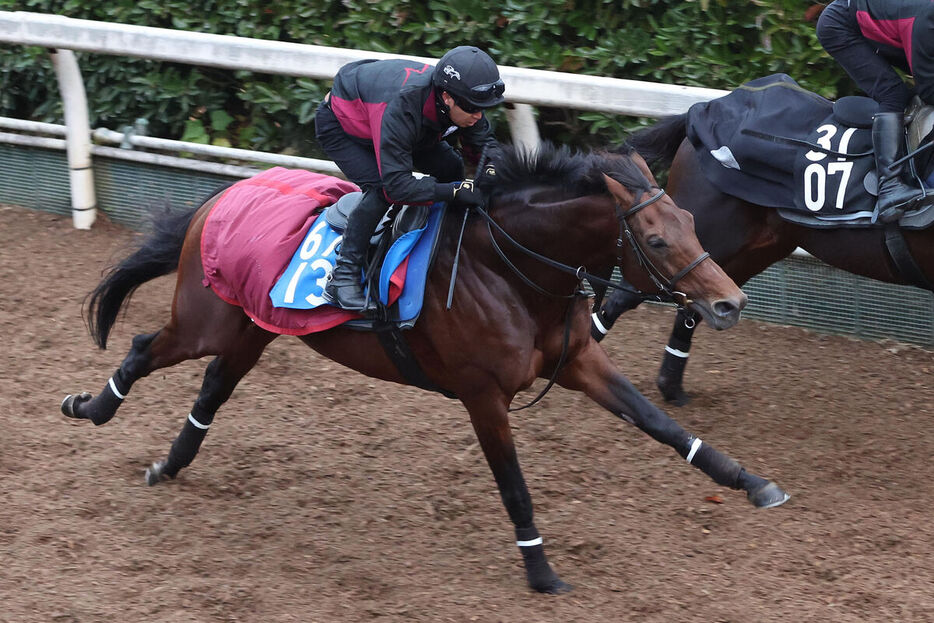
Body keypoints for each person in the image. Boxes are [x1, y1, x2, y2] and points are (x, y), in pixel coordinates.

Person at [314, 46, 505, 311]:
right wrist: (452, 191)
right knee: (381, 190)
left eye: (484, 108)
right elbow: (397, 186)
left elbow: (485, 145)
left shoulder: (459, 101)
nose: (479, 115)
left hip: (402, 128)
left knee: (451, 166)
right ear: (447, 97)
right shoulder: (404, 105)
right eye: (473, 108)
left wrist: (493, 169)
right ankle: (343, 277)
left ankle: (446, 249)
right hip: (345, 129)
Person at [817, 0, 934, 222]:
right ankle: (889, 186)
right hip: (840, 26)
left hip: (885, 23)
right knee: (894, 94)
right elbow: (928, 88)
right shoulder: (927, 20)